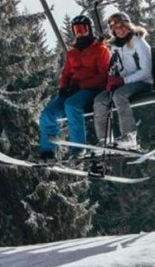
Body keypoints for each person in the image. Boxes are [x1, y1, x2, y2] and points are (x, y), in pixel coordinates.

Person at [38, 15, 110, 161]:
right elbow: (66, 73)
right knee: (47, 114)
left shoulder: (100, 50)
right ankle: (48, 152)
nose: (79, 33)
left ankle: (78, 149)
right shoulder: (72, 53)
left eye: (82, 30)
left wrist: (81, 85)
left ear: (89, 30)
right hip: (72, 90)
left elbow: (104, 76)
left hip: (92, 89)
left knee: (72, 106)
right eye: (76, 30)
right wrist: (63, 87)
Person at [92, 11, 153, 149]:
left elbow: (146, 72)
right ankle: (104, 140)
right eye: (116, 29)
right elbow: (115, 66)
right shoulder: (115, 46)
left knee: (119, 96)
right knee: (99, 100)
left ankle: (129, 136)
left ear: (128, 26)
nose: (120, 31)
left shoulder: (139, 43)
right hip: (122, 83)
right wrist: (111, 80)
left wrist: (123, 81)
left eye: (122, 27)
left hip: (143, 82)